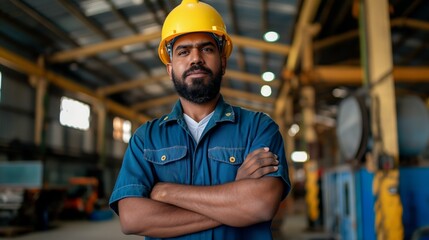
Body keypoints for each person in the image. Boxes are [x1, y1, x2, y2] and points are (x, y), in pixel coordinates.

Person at [109, 0, 291, 239]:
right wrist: (234, 201)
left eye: (206, 49)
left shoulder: (258, 128)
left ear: (223, 62)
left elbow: (260, 205)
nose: (196, 58)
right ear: (170, 68)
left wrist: (166, 193)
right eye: (183, 51)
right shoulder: (146, 139)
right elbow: (133, 218)